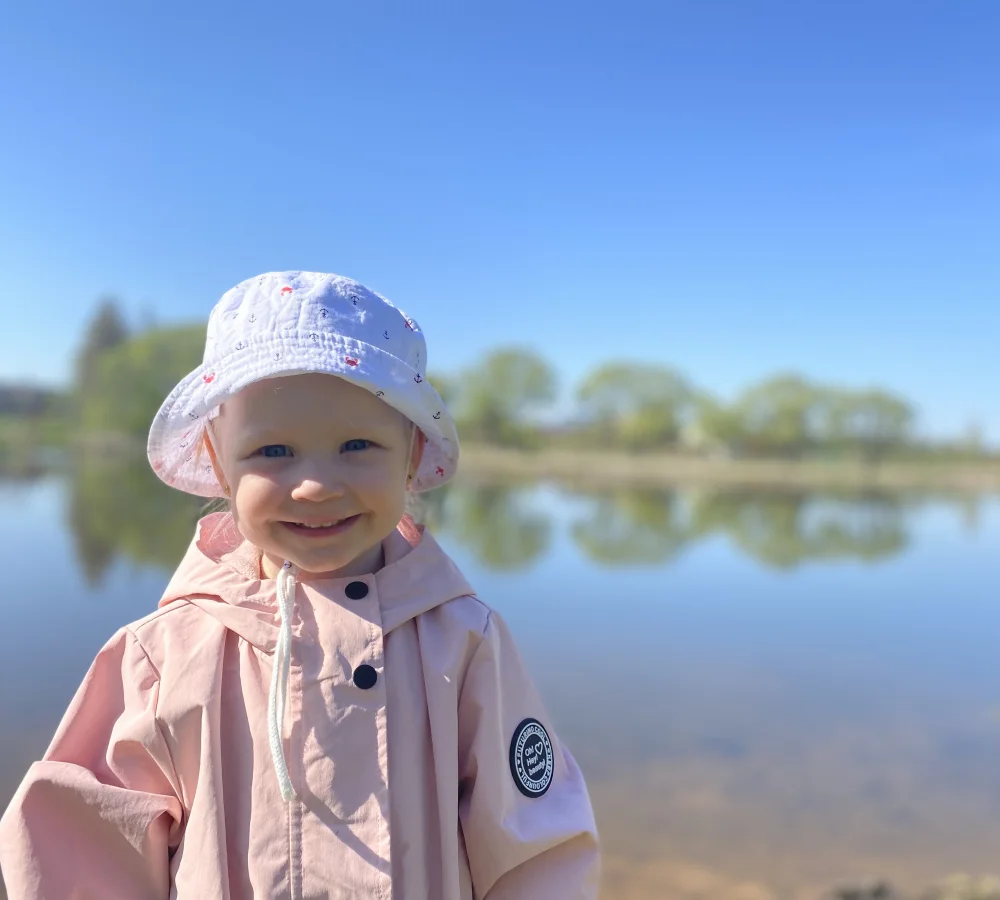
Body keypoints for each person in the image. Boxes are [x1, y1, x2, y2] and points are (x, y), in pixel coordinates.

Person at [0, 272, 600, 898]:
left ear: (412, 453)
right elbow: (79, 847)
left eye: (357, 444)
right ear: (218, 461)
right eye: (273, 451)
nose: (315, 485)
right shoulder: (162, 656)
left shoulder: (465, 643)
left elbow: (536, 848)